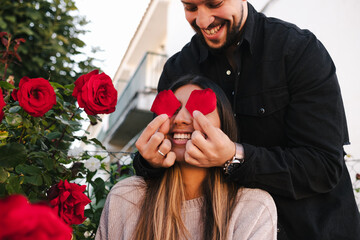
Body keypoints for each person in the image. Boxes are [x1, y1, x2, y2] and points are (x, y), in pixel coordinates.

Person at [133, 0, 360, 239]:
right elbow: (163, 157)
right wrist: (151, 161)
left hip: (312, 231)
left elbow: (323, 165)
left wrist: (234, 156)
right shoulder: (178, 70)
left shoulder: (298, 50)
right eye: (190, 7)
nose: (202, 20)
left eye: (213, 3)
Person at [96, 75, 277, 240]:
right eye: (172, 109)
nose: (180, 119)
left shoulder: (253, 208)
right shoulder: (126, 198)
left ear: (223, 125)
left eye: (197, 108)